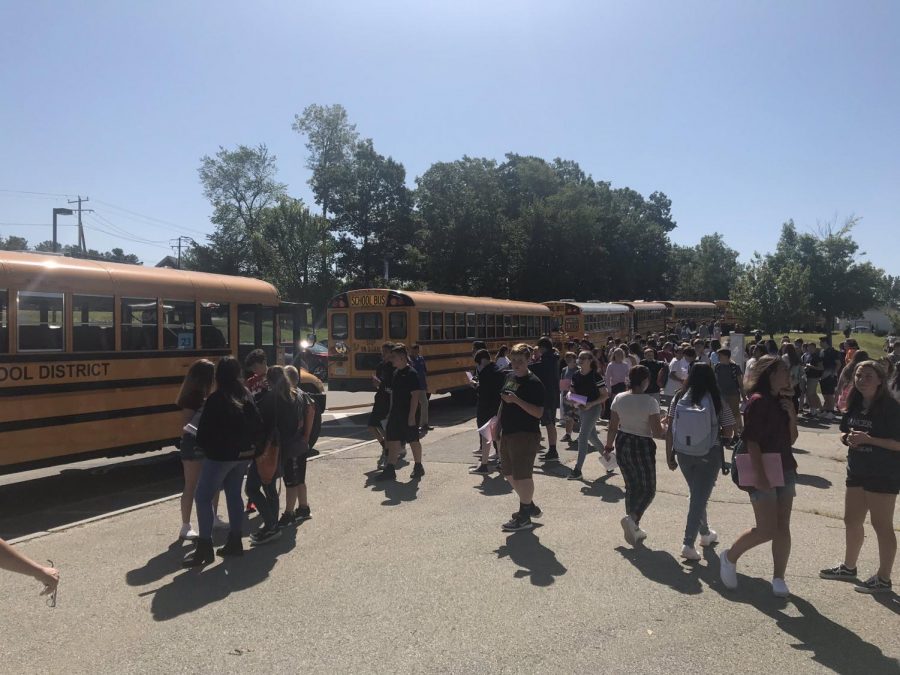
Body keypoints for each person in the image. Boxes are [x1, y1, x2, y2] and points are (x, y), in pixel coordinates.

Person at [719, 355, 798, 597]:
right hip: (762, 467)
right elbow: (751, 440)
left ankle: (779, 578)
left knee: (782, 526)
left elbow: (792, 439)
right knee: (767, 529)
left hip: (785, 465)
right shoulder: (758, 401)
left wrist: (792, 415)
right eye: (784, 370)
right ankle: (730, 556)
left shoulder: (782, 401)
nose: (788, 375)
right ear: (771, 374)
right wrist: (761, 475)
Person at [820, 361, 900, 593]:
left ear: (879, 380)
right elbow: (845, 430)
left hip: (883, 473)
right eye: (858, 375)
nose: (861, 379)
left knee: (881, 525)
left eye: (868, 376)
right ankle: (848, 566)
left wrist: (869, 440)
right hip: (856, 470)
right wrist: (847, 438)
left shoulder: (891, 408)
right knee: (851, 520)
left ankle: (883, 578)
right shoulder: (854, 403)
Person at [184, 356, 263, 567]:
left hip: (219, 457)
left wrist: (204, 445)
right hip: (242, 456)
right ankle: (235, 541)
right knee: (234, 495)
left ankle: (205, 546)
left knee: (202, 497)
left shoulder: (216, 398)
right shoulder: (245, 395)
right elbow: (257, 424)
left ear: (218, 376)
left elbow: (204, 432)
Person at [665, 363, 736, 560]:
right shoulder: (715, 398)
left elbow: (670, 427)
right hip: (708, 453)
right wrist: (723, 437)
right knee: (698, 498)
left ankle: (705, 533)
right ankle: (688, 543)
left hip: (683, 453)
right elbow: (730, 427)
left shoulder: (679, 396)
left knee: (697, 495)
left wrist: (669, 455)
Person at [605, 365, 664, 546]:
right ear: (646, 381)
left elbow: (613, 426)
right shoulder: (650, 402)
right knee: (648, 488)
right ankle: (632, 519)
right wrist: (664, 421)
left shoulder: (619, 398)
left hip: (623, 441)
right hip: (642, 444)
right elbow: (657, 432)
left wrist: (608, 446)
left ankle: (634, 527)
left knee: (631, 486)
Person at [245, 366, 297, 545]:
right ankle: (272, 526)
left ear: (269, 379)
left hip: (266, 451)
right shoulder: (291, 397)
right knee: (270, 487)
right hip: (281, 450)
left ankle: (271, 525)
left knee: (251, 488)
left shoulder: (269, 398)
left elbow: (260, 424)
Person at [497, 343, 545, 532]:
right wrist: (497, 425)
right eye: (514, 360)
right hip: (508, 432)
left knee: (523, 475)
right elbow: (503, 400)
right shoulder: (509, 377)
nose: (516, 364)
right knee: (508, 473)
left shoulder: (534, 383)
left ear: (528, 361)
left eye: (520, 361)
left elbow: (539, 413)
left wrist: (516, 400)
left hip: (525, 434)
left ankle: (524, 516)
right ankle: (529, 505)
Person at [175, 359, 216, 541]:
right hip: (193, 444)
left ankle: (214, 517)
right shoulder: (192, 398)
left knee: (213, 483)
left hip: (204, 444)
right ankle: (186, 525)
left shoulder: (203, 395)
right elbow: (186, 425)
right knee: (191, 485)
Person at [376, 344, 424, 481]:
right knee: (393, 440)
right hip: (396, 412)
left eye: (394, 357)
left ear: (402, 358)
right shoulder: (396, 373)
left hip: (409, 413)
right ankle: (390, 469)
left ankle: (418, 466)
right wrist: (390, 412)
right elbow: (394, 395)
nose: (391, 360)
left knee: (413, 440)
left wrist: (411, 417)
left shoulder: (411, 373)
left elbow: (415, 396)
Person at [567, 351, 609, 481]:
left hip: (593, 408)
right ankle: (609, 461)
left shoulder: (595, 376)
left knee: (583, 436)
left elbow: (605, 395)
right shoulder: (576, 375)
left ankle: (577, 470)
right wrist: (571, 398)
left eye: (583, 358)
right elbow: (571, 392)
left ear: (590, 360)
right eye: (579, 357)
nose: (580, 360)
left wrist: (591, 403)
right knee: (592, 437)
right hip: (582, 409)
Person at [281, 366, 316, 523]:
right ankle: (303, 507)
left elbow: (307, 414)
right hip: (301, 443)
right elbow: (312, 411)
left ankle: (288, 513)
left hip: (293, 444)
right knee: (300, 478)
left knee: (291, 481)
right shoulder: (303, 394)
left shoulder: (291, 396)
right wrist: (307, 436)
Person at [470, 349, 506, 475]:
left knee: (486, 436)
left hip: (486, 408)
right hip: (497, 407)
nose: (478, 366)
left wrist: (475, 385)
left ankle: (484, 465)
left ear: (482, 361)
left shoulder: (486, 372)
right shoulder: (497, 369)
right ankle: (502, 462)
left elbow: (483, 390)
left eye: (478, 363)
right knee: (497, 437)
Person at [530, 337, 561, 463]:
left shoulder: (548, 359)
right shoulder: (553, 357)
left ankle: (553, 450)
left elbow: (539, 369)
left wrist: (527, 366)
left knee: (549, 424)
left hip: (547, 396)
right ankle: (552, 449)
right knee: (550, 424)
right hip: (552, 394)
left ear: (543, 348)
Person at [369, 343, 395, 466]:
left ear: (391, 353)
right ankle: (385, 446)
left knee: (385, 428)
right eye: (382, 351)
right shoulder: (380, 366)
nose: (383, 354)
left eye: (386, 351)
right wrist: (376, 383)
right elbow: (380, 384)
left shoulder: (394, 367)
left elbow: (392, 386)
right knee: (372, 425)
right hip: (379, 398)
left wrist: (382, 385)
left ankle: (388, 452)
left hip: (389, 400)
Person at [714, 349, 745, 439]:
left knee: (734, 414)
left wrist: (743, 396)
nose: (718, 357)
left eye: (720, 356)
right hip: (721, 395)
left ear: (726, 356)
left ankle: (736, 434)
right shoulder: (717, 367)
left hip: (733, 394)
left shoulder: (735, 367)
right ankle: (725, 435)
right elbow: (715, 381)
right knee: (722, 414)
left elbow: (740, 383)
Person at [835, 350, 869, 414]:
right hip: (857, 393)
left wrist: (837, 393)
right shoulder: (864, 369)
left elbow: (840, 382)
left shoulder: (847, 367)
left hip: (845, 393)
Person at [604, 348, 631, 419]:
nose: (619, 355)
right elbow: (607, 378)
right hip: (614, 387)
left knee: (622, 404)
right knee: (615, 404)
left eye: (620, 354)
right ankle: (613, 419)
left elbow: (628, 376)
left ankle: (621, 420)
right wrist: (609, 389)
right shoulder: (611, 365)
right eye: (617, 354)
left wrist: (628, 385)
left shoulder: (625, 365)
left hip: (623, 386)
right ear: (614, 355)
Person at [820, 337, 842, 419]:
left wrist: (833, 373)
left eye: (822, 342)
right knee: (825, 394)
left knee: (829, 394)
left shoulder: (833, 352)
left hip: (830, 375)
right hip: (823, 375)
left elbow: (838, 363)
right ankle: (826, 410)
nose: (820, 343)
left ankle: (831, 412)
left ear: (826, 342)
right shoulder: (822, 352)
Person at [558, 352, 578, 444]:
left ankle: (584, 435)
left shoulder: (578, 370)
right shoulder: (564, 370)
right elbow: (562, 383)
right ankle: (568, 434)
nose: (570, 361)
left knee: (579, 416)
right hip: (567, 396)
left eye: (572, 359)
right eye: (568, 359)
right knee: (568, 416)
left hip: (577, 396)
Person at [410, 344, 431, 431]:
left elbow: (424, 372)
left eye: (416, 351)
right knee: (413, 406)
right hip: (413, 387)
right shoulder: (410, 360)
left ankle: (424, 424)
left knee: (425, 403)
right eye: (413, 351)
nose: (415, 352)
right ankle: (411, 424)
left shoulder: (421, 359)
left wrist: (426, 385)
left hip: (421, 386)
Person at [803, 344, 824, 418]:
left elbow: (821, 368)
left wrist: (811, 367)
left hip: (814, 377)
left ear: (815, 348)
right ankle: (820, 409)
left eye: (811, 348)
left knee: (810, 394)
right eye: (808, 348)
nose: (810, 349)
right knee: (813, 394)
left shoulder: (817, 356)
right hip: (809, 376)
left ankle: (813, 411)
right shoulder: (809, 356)